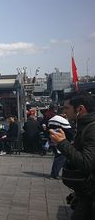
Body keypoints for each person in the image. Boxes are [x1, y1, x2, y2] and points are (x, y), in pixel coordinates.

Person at [50, 91, 95, 219]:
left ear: (80, 109)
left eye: (67, 108)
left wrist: (62, 143)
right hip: (85, 192)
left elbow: (86, 163)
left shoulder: (92, 129)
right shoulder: (83, 125)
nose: (64, 111)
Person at [47, 110, 73, 179]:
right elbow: (70, 132)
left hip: (53, 140)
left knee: (58, 157)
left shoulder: (50, 120)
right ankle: (54, 174)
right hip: (62, 141)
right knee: (61, 158)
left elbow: (48, 130)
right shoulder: (63, 121)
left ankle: (60, 173)